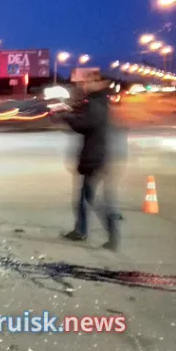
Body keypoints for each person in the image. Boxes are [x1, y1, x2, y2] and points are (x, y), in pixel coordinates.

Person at [55, 76, 120, 250]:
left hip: (94, 158)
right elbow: (86, 120)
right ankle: (84, 230)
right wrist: (71, 112)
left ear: (99, 84)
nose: (85, 85)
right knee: (86, 198)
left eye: (89, 82)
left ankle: (108, 234)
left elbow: (85, 124)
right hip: (98, 156)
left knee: (89, 199)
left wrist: (66, 116)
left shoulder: (95, 103)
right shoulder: (98, 102)